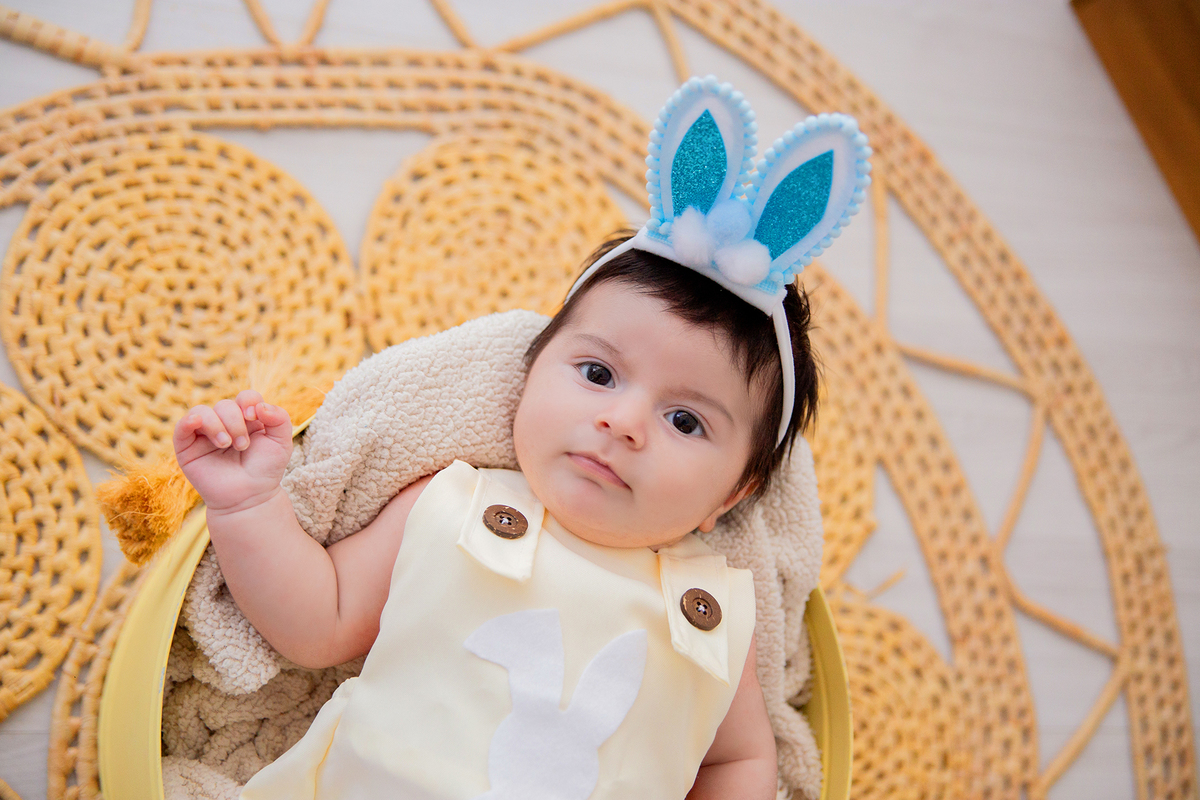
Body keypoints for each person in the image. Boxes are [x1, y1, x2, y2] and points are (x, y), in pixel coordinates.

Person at [172, 76, 869, 799]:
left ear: (733, 493)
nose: (623, 423)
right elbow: (318, 620)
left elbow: (737, 763)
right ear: (529, 372)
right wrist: (249, 504)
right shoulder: (455, 510)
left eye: (685, 421)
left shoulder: (716, 608)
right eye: (598, 373)